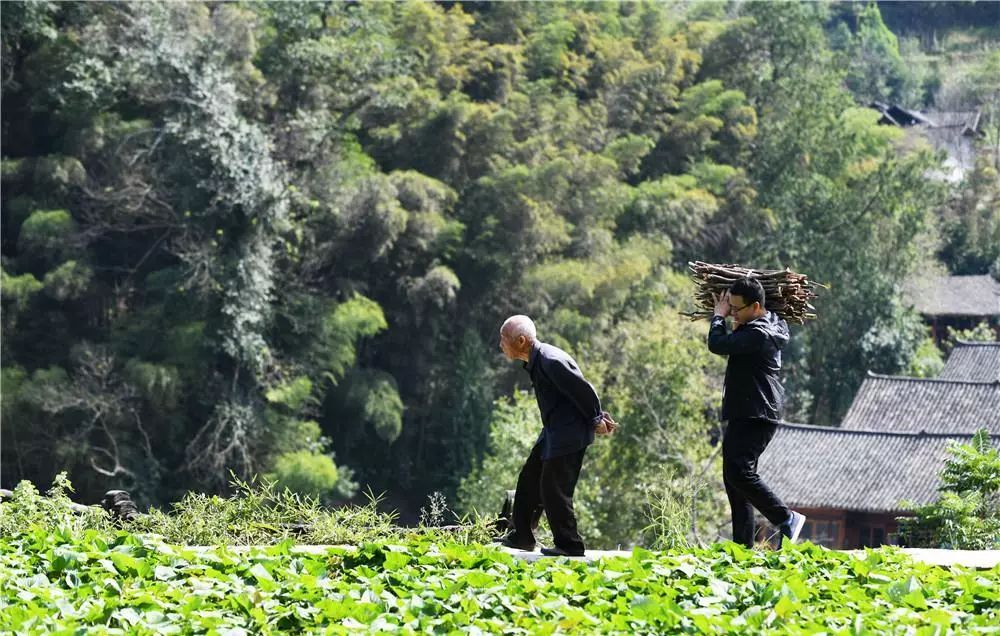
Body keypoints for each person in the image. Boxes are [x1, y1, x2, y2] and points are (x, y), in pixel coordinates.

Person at [496, 315, 616, 557]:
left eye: (504, 339)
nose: (501, 344)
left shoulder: (550, 360)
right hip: (553, 429)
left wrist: (596, 420)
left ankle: (570, 545)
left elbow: (583, 389)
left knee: (554, 488)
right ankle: (522, 536)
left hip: (569, 433)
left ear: (521, 341)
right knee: (529, 478)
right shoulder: (535, 360)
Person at [708, 277, 806, 548]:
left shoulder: (759, 333)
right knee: (733, 477)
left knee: (739, 472)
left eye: (736, 309)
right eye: (730, 308)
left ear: (755, 306)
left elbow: (718, 344)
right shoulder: (767, 323)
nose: (732, 313)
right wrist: (738, 324)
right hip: (751, 409)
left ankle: (786, 517)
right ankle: (742, 547)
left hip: (756, 411)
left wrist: (718, 318)